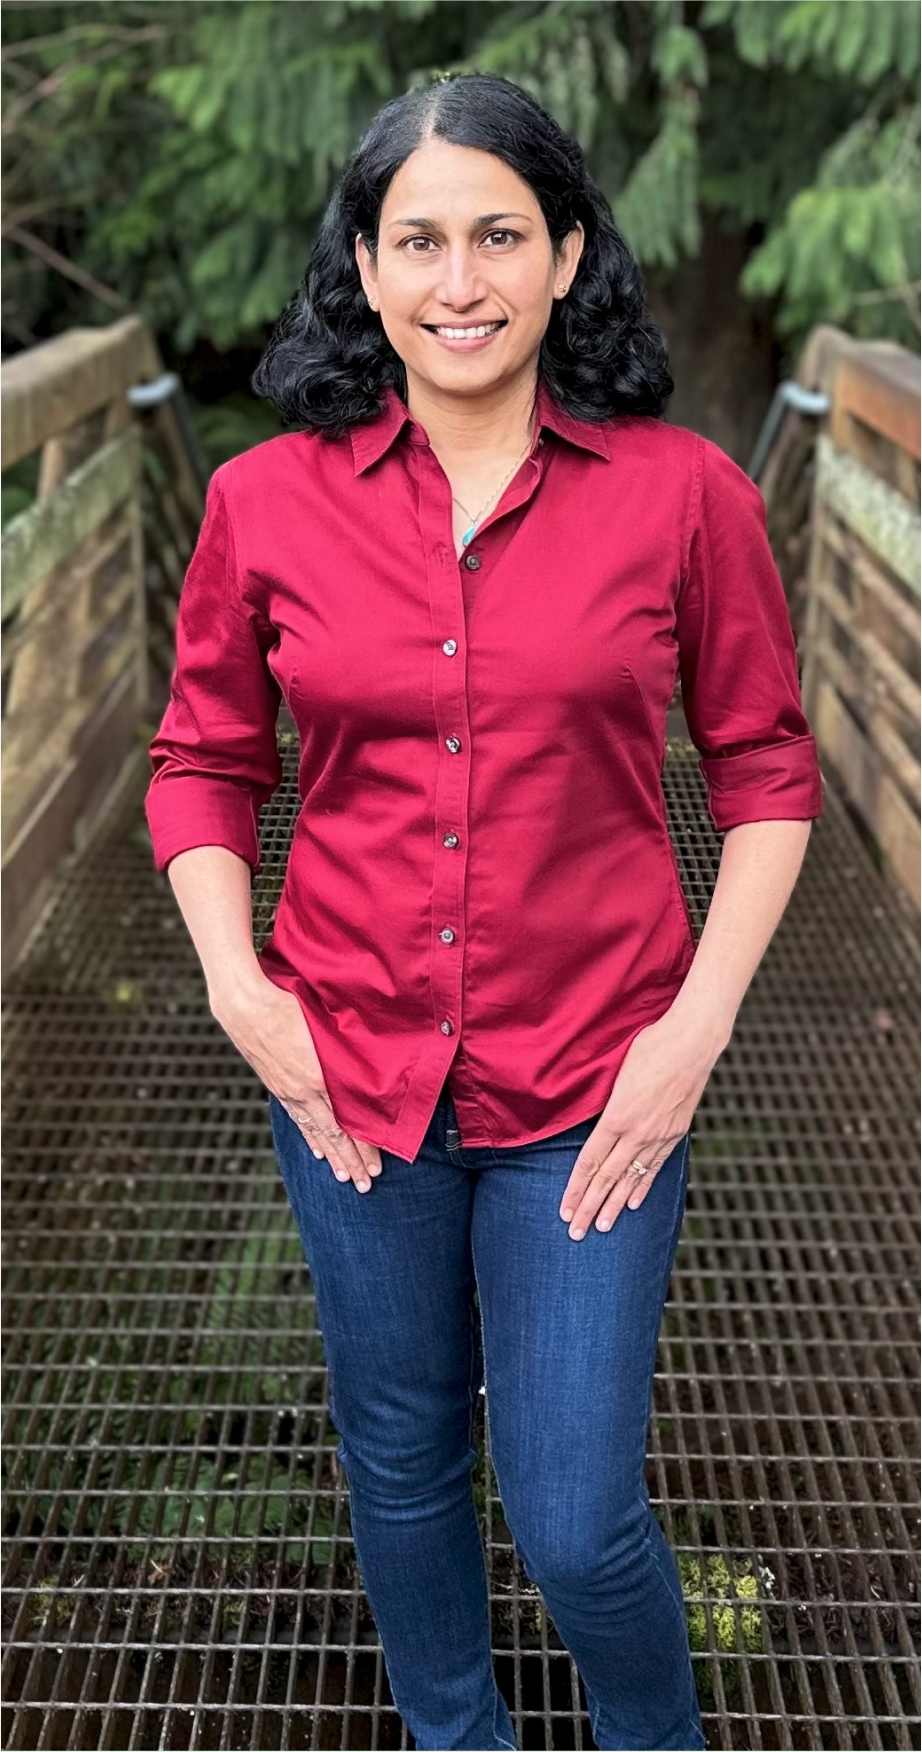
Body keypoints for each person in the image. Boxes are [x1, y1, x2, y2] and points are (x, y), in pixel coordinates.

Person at [145, 70, 824, 1752]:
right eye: (419, 239)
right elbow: (200, 762)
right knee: (394, 1454)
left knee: (579, 1516)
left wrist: (693, 1031)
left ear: (567, 252)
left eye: (500, 236)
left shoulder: (684, 498)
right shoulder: (261, 503)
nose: (460, 281)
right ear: (363, 268)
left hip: (599, 1074)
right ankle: (460, 1739)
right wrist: (240, 985)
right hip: (349, 1065)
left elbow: (764, 768)